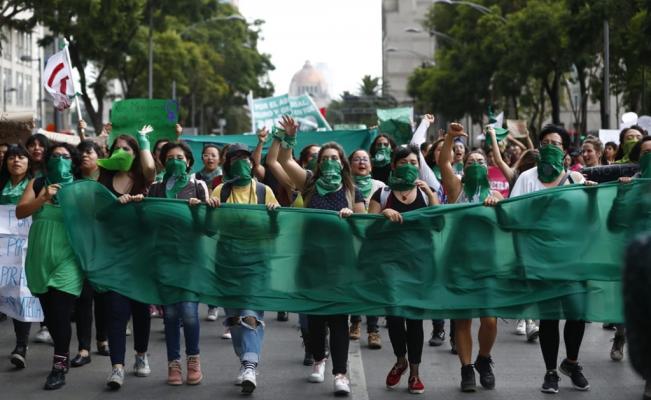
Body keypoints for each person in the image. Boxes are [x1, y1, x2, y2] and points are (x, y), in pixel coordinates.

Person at [278, 115, 365, 396]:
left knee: (338, 319)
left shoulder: (353, 190)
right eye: (325, 158)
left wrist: (353, 217)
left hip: (341, 264)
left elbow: (365, 225)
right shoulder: (309, 184)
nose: (329, 162)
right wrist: (288, 138)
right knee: (314, 320)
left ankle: (340, 374)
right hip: (311, 262)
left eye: (334, 158)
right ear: (318, 163)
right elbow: (284, 162)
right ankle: (319, 358)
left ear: (342, 163)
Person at [510, 124, 594, 394]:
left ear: (565, 150)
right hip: (540, 259)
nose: (549, 147)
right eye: (544, 142)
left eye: (555, 144)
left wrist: (593, 198)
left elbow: (588, 220)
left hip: (572, 260)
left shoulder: (577, 180)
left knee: (577, 313)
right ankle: (550, 373)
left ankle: (570, 362)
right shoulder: (526, 178)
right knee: (548, 318)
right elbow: (513, 216)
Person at [368, 144, 438, 394]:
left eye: (414, 162)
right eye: (404, 162)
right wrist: (383, 213)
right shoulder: (382, 194)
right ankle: (400, 361)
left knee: (415, 321)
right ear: (394, 165)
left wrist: (430, 195)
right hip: (390, 267)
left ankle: (416, 374)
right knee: (396, 317)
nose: (410, 166)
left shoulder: (426, 192)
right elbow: (369, 229)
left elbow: (438, 223)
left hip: (418, 267)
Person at [211, 142, 279, 394]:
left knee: (250, 315)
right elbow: (209, 230)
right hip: (227, 263)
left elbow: (275, 232)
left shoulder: (264, 191)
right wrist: (209, 211)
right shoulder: (220, 190)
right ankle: (245, 359)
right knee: (234, 320)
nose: (241, 163)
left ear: (252, 163)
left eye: (245, 158)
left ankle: (250, 365)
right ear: (227, 164)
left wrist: (273, 216)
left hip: (257, 263)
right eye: (234, 159)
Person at [149, 141, 218, 386]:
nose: (175, 161)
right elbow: (148, 223)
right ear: (162, 162)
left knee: (189, 313)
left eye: (180, 157)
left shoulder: (198, 185)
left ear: (188, 161)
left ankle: (193, 360)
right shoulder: (155, 188)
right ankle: (173, 364)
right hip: (165, 260)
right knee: (169, 315)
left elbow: (209, 229)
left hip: (191, 260)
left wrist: (203, 210)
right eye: (170, 158)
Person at [440, 123, 502, 392]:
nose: (476, 163)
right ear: (463, 167)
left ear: (487, 168)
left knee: (489, 320)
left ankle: (483, 359)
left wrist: (498, 205)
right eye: (471, 160)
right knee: (462, 320)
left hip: (487, 264)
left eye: (480, 160)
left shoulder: (497, 195)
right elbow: (443, 161)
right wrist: (451, 137)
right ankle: (466, 369)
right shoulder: (456, 188)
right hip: (459, 264)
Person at [16, 142, 84, 390]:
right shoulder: (36, 183)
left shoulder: (80, 187)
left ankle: (58, 366)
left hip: (68, 259)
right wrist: (43, 197)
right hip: (40, 257)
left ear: (73, 162)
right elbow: (21, 212)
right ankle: (63, 353)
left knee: (61, 313)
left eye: (65, 156)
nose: (60, 159)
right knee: (51, 317)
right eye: (55, 156)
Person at [96, 126, 156, 390]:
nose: (121, 153)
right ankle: (117, 367)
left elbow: (151, 168)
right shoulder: (103, 182)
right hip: (114, 258)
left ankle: (141, 355)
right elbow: (96, 215)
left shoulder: (145, 181)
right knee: (116, 313)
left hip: (142, 258)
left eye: (127, 149)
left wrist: (144, 142)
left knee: (141, 312)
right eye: (117, 149)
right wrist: (113, 206)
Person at [70, 140, 110, 368]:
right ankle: (83, 348)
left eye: (89, 152)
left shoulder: (110, 179)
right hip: (80, 247)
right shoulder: (72, 181)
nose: (85, 156)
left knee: (102, 298)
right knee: (83, 299)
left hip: (105, 248)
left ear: (99, 156)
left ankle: (102, 339)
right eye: (81, 152)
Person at [347, 149, 385, 349]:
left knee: (372, 285)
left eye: (365, 159)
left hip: (374, 244)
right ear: (350, 164)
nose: (361, 163)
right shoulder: (345, 186)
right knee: (355, 283)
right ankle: (354, 322)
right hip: (351, 242)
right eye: (356, 159)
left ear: (371, 164)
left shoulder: (381, 187)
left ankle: (373, 330)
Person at [0, 145, 32, 369]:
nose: (16, 161)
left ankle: (21, 345)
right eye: (11, 157)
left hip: (25, 246)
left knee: (21, 293)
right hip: (1, 247)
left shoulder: (36, 184)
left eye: (21, 156)